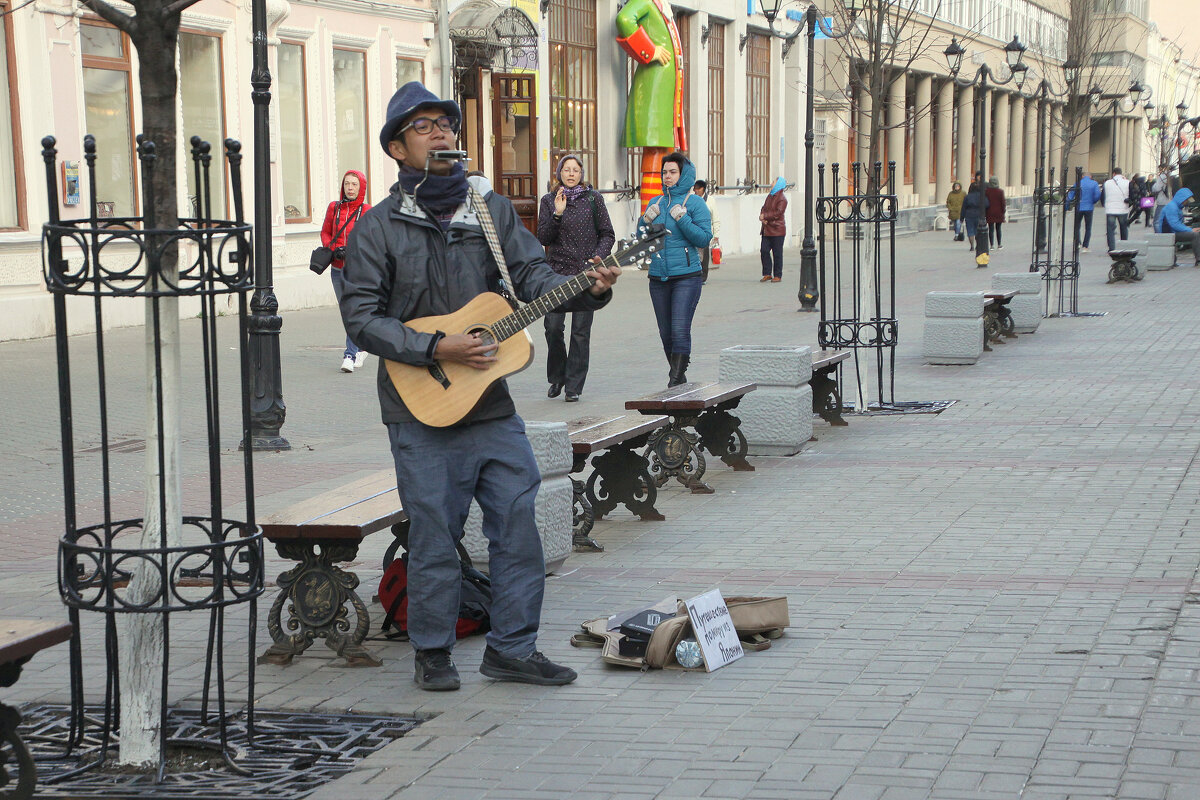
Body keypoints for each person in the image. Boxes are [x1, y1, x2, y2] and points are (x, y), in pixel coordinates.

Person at [339, 82, 622, 691]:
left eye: (445, 122)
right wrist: (439, 346)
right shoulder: (377, 228)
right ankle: (433, 652)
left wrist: (589, 286)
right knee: (435, 534)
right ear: (397, 148)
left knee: (520, 527)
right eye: (423, 126)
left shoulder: (488, 213)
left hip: (490, 406)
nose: (440, 131)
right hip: (419, 409)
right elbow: (361, 319)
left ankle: (513, 648)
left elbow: (533, 273)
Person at [537, 155, 615, 403]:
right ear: (558, 173)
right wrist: (557, 214)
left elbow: (607, 234)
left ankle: (574, 386)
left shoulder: (594, 199)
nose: (571, 174)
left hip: (586, 272)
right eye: (566, 170)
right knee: (552, 327)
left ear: (582, 174)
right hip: (557, 273)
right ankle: (558, 376)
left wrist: (598, 256)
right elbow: (544, 237)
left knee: (580, 331)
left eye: (576, 170)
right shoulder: (549, 201)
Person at [637, 151, 712, 387]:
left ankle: (675, 378)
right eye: (664, 172)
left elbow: (703, 238)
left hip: (687, 277)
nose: (667, 177)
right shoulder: (655, 202)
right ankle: (679, 377)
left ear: (683, 174)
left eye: (672, 172)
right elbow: (642, 240)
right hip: (658, 277)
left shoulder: (694, 203)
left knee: (679, 329)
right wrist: (644, 222)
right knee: (666, 333)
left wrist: (682, 218)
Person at [321, 169, 371, 373]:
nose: (350, 188)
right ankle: (361, 346)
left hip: (356, 270)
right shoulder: (334, 207)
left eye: (354, 184)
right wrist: (332, 248)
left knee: (351, 310)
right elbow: (325, 232)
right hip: (336, 269)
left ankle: (349, 356)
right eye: (347, 184)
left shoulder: (367, 210)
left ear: (361, 188)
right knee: (346, 311)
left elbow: (371, 240)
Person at [1156, 187, 1200, 266]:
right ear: (1182, 198)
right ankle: (1199, 260)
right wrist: (1190, 230)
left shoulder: (1175, 206)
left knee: (1195, 234)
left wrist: (1189, 229)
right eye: (1186, 200)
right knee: (1195, 235)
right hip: (1169, 233)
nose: (1187, 202)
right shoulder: (1172, 207)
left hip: (1172, 232)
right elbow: (1175, 225)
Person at [758, 177, 787, 282]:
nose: (771, 184)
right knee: (764, 250)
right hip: (767, 229)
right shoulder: (770, 196)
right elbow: (764, 208)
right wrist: (762, 216)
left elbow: (778, 213)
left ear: (778, 184)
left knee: (777, 253)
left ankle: (777, 275)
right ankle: (767, 273)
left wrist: (765, 216)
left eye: (773, 182)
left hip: (777, 230)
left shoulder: (782, 199)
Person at [1066, 173, 1102, 252]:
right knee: (1088, 227)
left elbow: (1070, 194)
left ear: (1082, 176)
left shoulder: (1078, 183)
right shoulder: (1094, 183)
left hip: (1079, 206)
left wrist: (1067, 205)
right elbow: (1097, 195)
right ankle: (1085, 246)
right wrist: (1093, 201)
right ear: (1090, 176)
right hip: (1089, 207)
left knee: (1077, 226)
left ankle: (1078, 243)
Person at [693, 180, 720, 284]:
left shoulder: (710, 201)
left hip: (705, 232)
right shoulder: (693, 199)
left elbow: (715, 218)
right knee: (695, 254)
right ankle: (695, 275)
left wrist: (716, 235)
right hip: (694, 231)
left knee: (704, 256)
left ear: (702, 189)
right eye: (694, 189)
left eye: (697, 189)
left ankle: (703, 277)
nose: (695, 191)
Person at [1102, 167, 1131, 252]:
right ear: (1121, 174)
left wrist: (1105, 204)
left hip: (1110, 209)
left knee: (1110, 229)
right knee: (1123, 228)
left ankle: (1111, 248)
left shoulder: (1107, 183)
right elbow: (1131, 194)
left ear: (1113, 173)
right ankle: (1124, 245)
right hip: (1123, 208)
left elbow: (1103, 196)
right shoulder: (1127, 182)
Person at [961, 178, 989, 255]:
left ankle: (972, 246)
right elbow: (987, 204)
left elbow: (963, 207)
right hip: (979, 214)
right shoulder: (982, 196)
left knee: (970, 231)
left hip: (969, 215)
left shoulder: (967, 197)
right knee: (978, 231)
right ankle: (978, 244)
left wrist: (961, 218)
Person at [985, 177, 1006, 250]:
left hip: (989, 212)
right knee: (998, 229)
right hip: (999, 213)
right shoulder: (1000, 191)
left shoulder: (987, 191)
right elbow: (1003, 203)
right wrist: (1003, 212)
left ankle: (991, 245)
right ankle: (999, 244)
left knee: (991, 229)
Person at [1151, 167, 1172, 232]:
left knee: (1156, 221)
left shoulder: (1162, 176)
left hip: (1162, 200)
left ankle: (1158, 237)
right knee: (1167, 220)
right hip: (1170, 201)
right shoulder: (1171, 176)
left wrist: (1153, 186)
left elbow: (1156, 188)